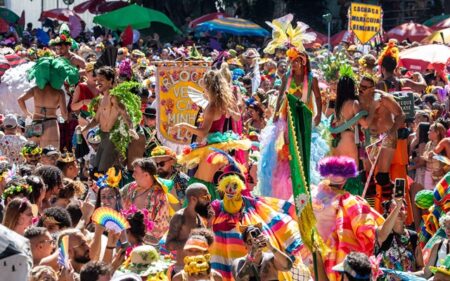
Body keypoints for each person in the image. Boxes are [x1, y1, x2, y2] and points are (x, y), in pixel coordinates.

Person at [312, 156, 384, 281]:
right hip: (339, 265)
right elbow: (371, 231)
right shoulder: (352, 202)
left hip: (311, 259)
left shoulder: (310, 196)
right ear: (345, 180)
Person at [358, 74, 405, 200]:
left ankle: (391, 207)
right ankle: (369, 210)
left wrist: (392, 130)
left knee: (382, 178)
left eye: (364, 87)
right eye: (360, 85)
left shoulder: (384, 98)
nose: (361, 89)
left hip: (386, 136)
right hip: (369, 136)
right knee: (367, 177)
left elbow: (400, 115)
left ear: (372, 88)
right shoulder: (358, 99)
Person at [80, 66, 135, 173]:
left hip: (112, 138)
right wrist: (84, 128)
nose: (98, 83)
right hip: (103, 137)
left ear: (110, 81)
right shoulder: (101, 99)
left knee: (102, 170)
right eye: (97, 80)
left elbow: (125, 112)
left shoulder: (114, 97)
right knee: (95, 169)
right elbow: (96, 120)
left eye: (101, 80)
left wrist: (131, 128)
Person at [18, 55, 77, 149]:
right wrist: (67, 117)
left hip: (35, 121)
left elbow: (20, 99)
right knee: (50, 155)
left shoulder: (36, 89)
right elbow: (64, 115)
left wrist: (28, 113)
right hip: (51, 124)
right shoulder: (59, 92)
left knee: (33, 154)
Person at [121, 158, 180, 244]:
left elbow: (162, 226)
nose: (133, 175)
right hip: (126, 237)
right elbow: (118, 197)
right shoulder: (132, 186)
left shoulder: (160, 195)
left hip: (148, 244)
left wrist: (139, 230)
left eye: (136, 172)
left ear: (146, 175)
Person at [165, 183, 212, 275]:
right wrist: (192, 244)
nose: (208, 200)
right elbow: (169, 245)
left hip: (199, 269)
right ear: (193, 199)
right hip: (182, 270)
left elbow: (206, 244)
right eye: (205, 197)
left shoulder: (199, 217)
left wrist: (210, 223)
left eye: (209, 196)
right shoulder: (179, 217)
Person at [375, 198, 424, 278]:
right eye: (394, 209)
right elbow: (382, 235)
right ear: (388, 214)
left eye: (401, 208)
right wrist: (398, 206)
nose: (398, 211)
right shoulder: (381, 232)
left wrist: (408, 276)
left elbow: (421, 267)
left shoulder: (413, 236)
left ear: (406, 214)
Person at [330, 66, 368, 165]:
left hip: (338, 142)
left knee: (340, 176)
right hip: (349, 140)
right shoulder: (354, 103)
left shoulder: (338, 104)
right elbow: (365, 124)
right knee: (352, 175)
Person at [423, 212, 450, 279]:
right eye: (445, 226)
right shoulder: (438, 245)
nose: (448, 230)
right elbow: (426, 274)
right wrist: (406, 275)